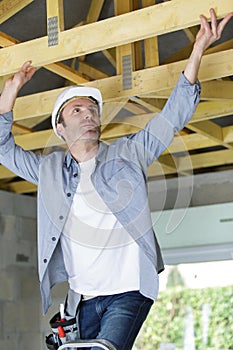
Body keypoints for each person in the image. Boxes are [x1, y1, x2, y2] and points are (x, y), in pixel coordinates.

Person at [0, 8, 232, 350]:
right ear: (60, 129)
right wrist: (11, 92)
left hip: (128, 291)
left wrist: (197, 49)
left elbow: (173, 116)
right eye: (77, 111)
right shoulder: (48, 172)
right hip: (81, 299)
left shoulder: (129, 153)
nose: (88, 115)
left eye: (92, 110)